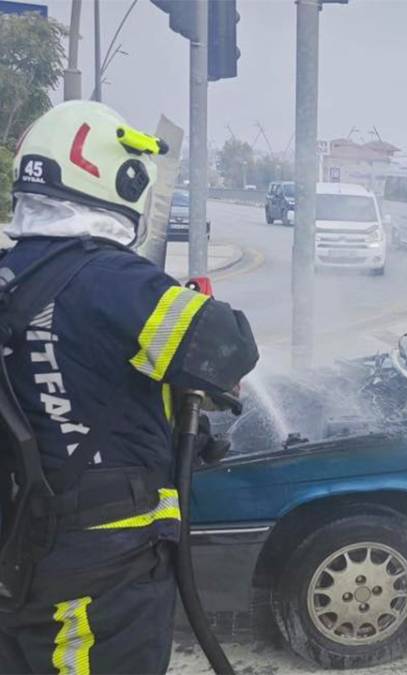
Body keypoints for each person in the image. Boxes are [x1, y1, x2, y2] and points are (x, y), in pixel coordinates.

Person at [0, 101, 259, 674]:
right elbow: (228, 347)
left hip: (24, 557)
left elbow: (67, 387)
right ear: (120, 177)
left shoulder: (13, 273)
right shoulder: (111, 281)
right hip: (101, 573)